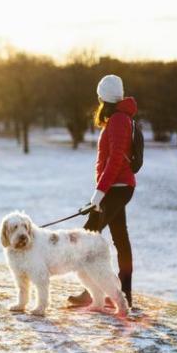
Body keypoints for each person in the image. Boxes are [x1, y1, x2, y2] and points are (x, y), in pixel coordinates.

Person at [68, 74, 137, 308]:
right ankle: (123, 294)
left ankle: (93, 293)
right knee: (120, 239)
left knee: (87, 236)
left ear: (103, 98)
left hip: (116, 188)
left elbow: (115, 160)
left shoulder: (118, 119)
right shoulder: (119, 118)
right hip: (116, 188)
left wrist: (99, 194)